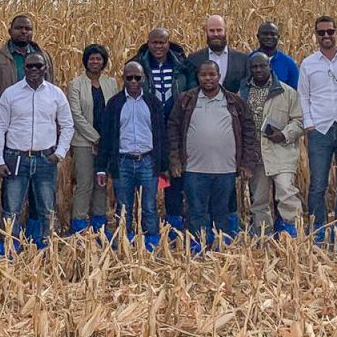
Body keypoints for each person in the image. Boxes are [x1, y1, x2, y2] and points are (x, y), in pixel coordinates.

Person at [167, 61, 259, 250]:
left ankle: (221, 249)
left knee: (222, 212)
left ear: (219, 76)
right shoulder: (186, 100)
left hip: (225, 169)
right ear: (198, 77)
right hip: (194, 169)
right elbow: (173, 130)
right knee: (196, 211)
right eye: (204, 75)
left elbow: (249, 132)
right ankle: (196, 248)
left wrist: (247, 163)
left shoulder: (234, 102)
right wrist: (175, 160)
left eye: (212, 75)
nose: (208, 78)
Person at [0, 14, 55, 239]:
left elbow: (52, 93)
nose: (24, 32)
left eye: (28, 29)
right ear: (10, 30)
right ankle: (8, 240)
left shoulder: (45, 57)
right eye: (19, 28)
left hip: (40, 138)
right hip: (9, 137)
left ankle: (36, 240)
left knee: (40, 195)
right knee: (11, 194)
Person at [0, 53, 74, 247]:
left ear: (45, 67)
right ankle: (10, 248)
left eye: (38, 66)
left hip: (45, 159)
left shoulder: (56, 94)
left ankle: (46, 248)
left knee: (47, 208)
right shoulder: (10, 94)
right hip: (15, 159)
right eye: (30, 66)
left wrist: (60, 152)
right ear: (24, 69)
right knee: (12, 209)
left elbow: (68, 125)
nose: (34, 70)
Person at [298, 15, 337, 246]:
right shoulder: (308, 63)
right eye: (321, 32)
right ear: (315, 35)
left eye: (330, 32)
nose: (326, 36)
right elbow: (303, 95)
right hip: (320, 131)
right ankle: (318, 230)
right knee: (318, 183)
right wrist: (309, 124)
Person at [188, 15, 250, 233]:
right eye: (212, 31)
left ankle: (224, 239)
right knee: (198, 204)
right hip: (197, 159)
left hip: (227, 155)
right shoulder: (193, 59)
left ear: (226, 31)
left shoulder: (242, 60)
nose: (216, 34)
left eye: (219, 30)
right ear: (205, 32)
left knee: (224, 203)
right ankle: (198, 242)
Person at [130, 27, 195, 235]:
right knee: (150, 177)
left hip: (176, 129)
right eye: (154, 43)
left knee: (176, 177)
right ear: (148, 43)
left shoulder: (182, 67)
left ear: (168, 43)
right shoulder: (139, 66)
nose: (158, 47)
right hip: (149, 130)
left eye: (162, 43)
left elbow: (191, 94)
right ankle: (145, 227)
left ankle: (174, 223)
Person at [95, 62, 167, 249]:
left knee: (149, 207)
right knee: (124, 207)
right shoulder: (115, 104)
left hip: (147, 161)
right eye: (129, 78)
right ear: (123, 79)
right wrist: (101, 168)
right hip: (123, 162)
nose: (134, 81)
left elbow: (161, 135)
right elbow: (107, 137)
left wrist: (163, 164)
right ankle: (125, 243)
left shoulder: (153, 103)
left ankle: (151, 243)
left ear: (143, 78)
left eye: (138, 77)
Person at [238, 53, 303, 238]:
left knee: (286, 194)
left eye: (262, 66)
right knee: (259, 200)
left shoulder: (287, 92)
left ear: (270, 67)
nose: (258, 70)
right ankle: (262, 239)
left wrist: (283, 134)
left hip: (281, 153)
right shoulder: (243, 93)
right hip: (255, 156)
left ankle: (294, 236)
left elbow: (299, 121)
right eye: (254, 67)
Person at [67, 44, 118, 233]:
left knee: (101, 184)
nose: (95, 62)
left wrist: (106, 141)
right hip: (83, 143)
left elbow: (115, 111)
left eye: (99, 58)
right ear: (86, 61)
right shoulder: (76, 84)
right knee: (84, 184)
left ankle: (100, 228)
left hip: (106, 143)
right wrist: (96, 139)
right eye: (92, 58)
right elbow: (76, 115)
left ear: (104, 61)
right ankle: (79, 227)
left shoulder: (111, 83)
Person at [248, 21, 299, 89]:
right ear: (258, 36)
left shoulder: (289, 64)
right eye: (265, 34)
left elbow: (295, 92)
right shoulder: (247, 60)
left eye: (272, 34)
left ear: (278, 37)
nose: (269, 37)